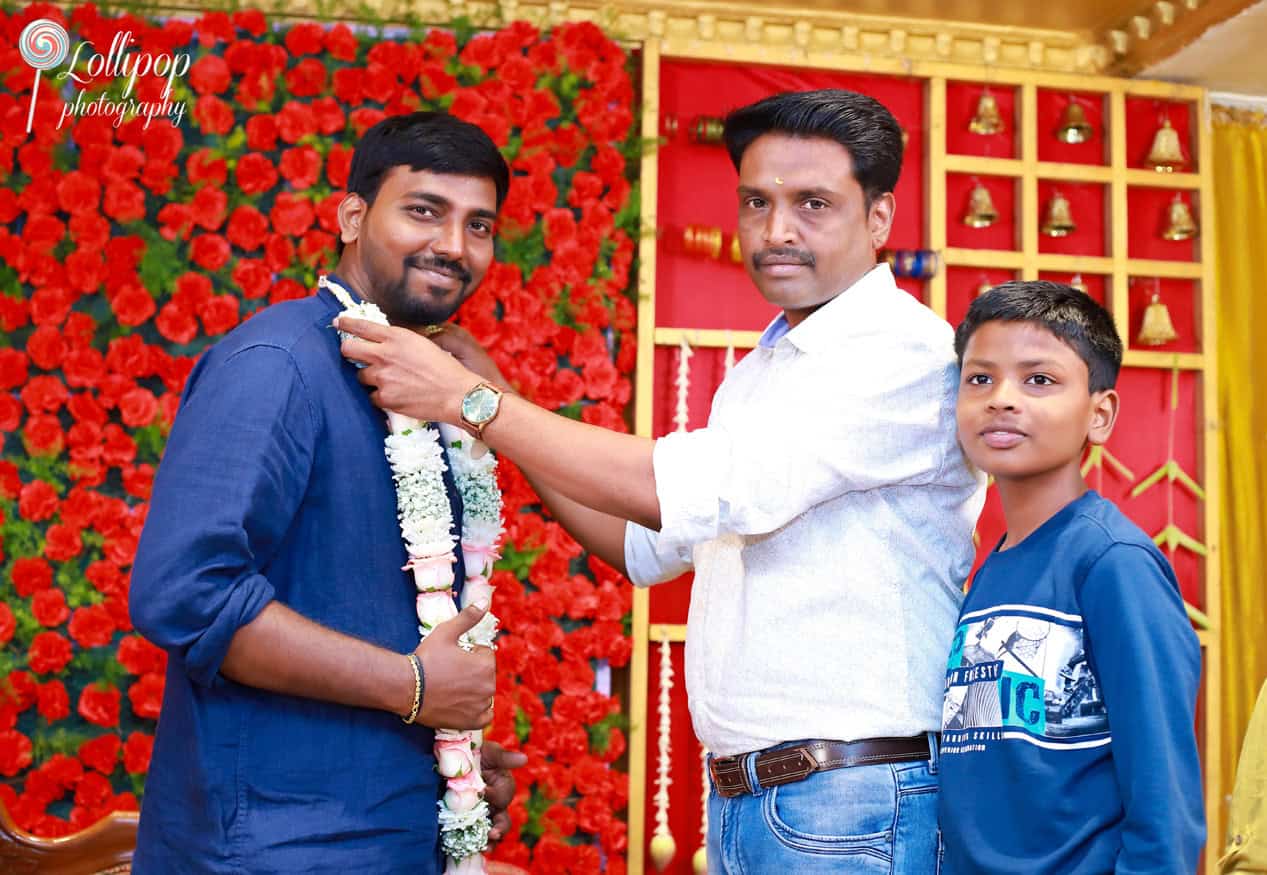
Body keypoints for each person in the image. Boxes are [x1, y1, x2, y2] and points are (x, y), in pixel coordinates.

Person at [337, 89, 985, 872]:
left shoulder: (901, 355)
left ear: (878, 218)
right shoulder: (770, 364)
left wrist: (473, 402)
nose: (776, 230)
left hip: (850, 797)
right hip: (765, 799)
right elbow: (647, 543)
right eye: (757, 201)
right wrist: (496, 402)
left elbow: (693, 487)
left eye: (812, 203)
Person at [128, 112, 525, 873]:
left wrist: (443, 762)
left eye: (479, 225)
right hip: (270, 849)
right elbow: (185, 594)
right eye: (423, 210)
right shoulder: (278, 363)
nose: (453, 244)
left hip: (384, 832)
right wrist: (413, 686)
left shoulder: (420, 384)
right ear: (351, 215)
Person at [939, 281, 1205, 873]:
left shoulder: (1113, 563)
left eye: (1039, 380)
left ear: (1100, 413)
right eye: (980, 378)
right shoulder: (992, 565)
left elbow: (1163, 795)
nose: (1002, 399)